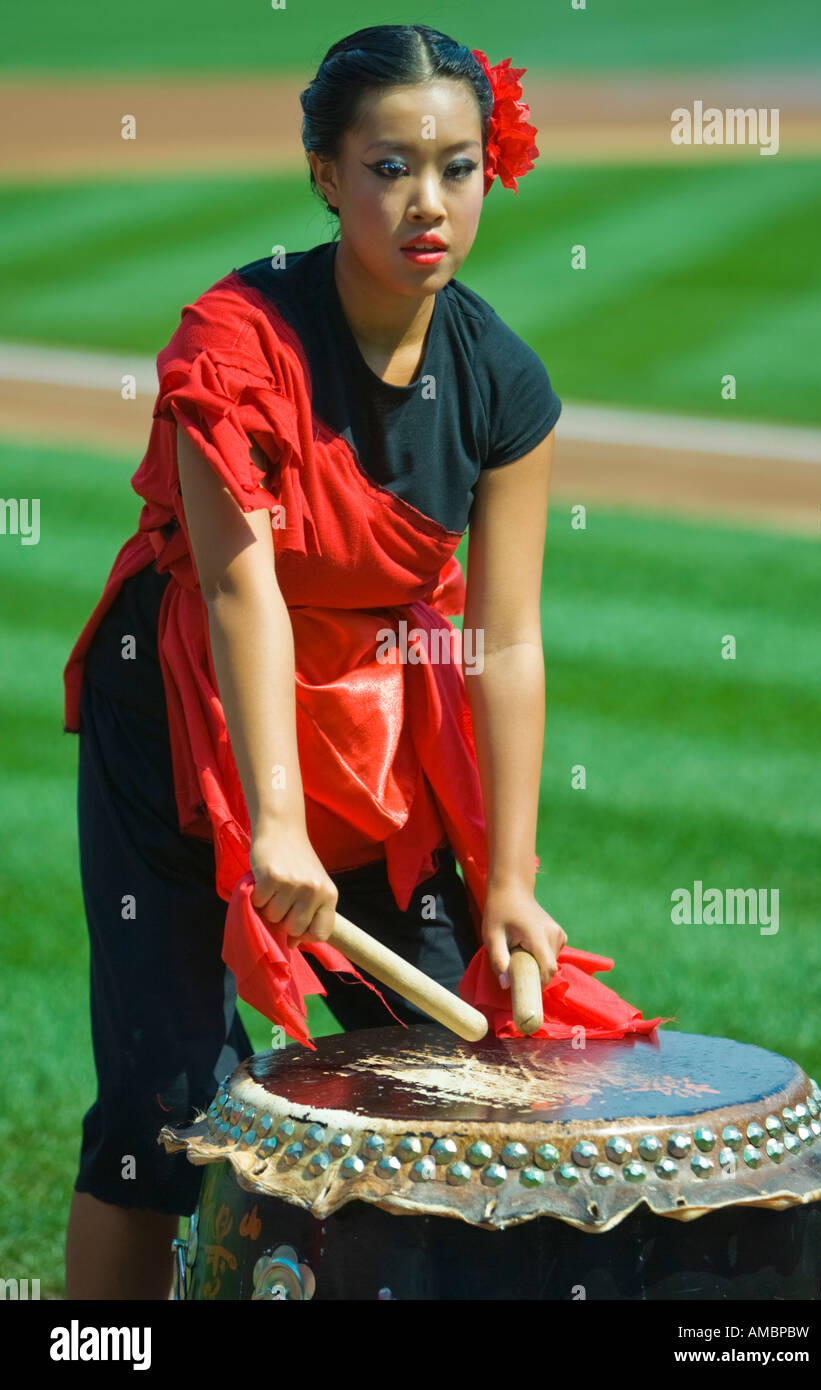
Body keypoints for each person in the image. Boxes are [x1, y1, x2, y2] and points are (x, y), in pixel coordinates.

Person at [62, 23, 568, 1299]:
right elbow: (244, 593)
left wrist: (506, 877)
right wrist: (271, 830)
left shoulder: (504, 379)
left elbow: (503, 638)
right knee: (167, 1110)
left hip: (366, 736)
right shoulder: (234, 345)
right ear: (324, 175)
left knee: (463, 1071)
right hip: (182, 719)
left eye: (457, 167)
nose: (427, 201)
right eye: (389, 165)